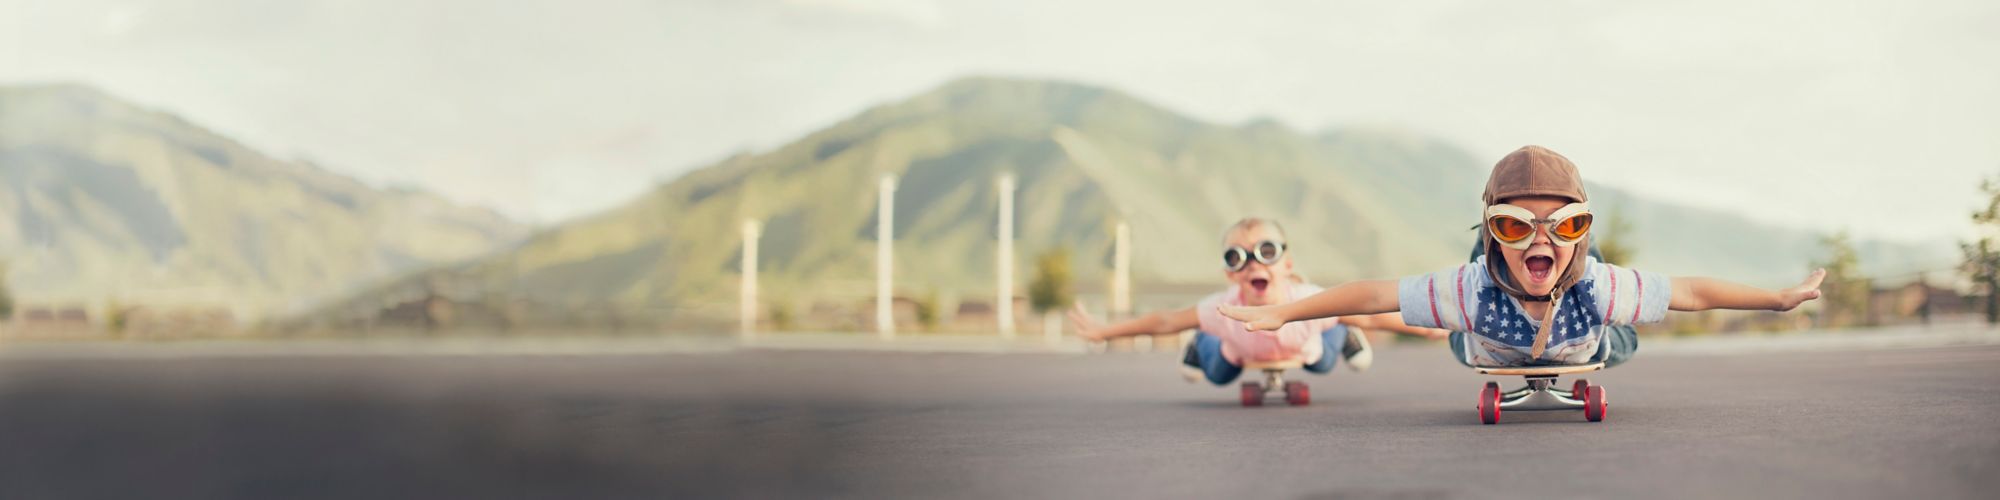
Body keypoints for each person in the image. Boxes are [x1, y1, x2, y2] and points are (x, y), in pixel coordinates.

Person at [1219, 146, 1824, 368]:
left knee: (1617, 331)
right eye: (1513, 223)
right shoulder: (1467, 290)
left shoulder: (1602, 290)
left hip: (1586, 336)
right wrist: (1285, 314)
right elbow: (1372, 294)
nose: (1540, 238)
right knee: (1467, 314)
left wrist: (1776, 298)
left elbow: (1691, 292)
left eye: (1565, 224)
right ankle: (1503, 244)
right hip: (1484, 334)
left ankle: (1571, 250)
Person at [1069, 218, 1446, 385]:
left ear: (1286, 265)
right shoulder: (1224, 308)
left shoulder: (1307, 300)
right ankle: (1200, 346)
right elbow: (1166, 322)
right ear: (1231, 273)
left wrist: (1427, 327)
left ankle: (1341, 337)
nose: (1252, 264)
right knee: (1217, 375)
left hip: (1305, 346)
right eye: (1238, 257)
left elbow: (1372, 318)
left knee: (1325, 357)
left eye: (1266, 252)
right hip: (1238, 351)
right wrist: (1106, 331)